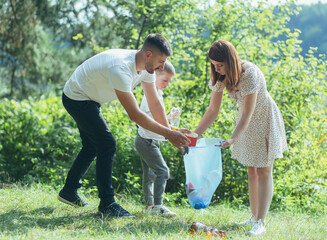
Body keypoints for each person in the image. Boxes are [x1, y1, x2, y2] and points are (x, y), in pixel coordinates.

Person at [57, 33, 191, 218]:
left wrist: (171, 131)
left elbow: (154, 103)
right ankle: (107, 204)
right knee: (106, 143)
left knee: (92, 145)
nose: (162, 66)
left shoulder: (146, 68)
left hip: (90, 98)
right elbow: (135, 114)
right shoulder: (121, 68)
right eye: (161, 61)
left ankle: (69, 191)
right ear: (149, 55)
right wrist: (169, 134)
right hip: (76, 97)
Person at [194, 40, 288, 236]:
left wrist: (233, 138)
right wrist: (195, 135)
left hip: (263, 119)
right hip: (245, 124)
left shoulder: (250, 74)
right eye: (213, 65)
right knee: (251, 169)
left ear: (231, 60)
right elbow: (213, 109)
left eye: (220, 65)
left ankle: (261, 222)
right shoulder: (220, 77)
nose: (217, 70)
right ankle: (253, 218)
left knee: (264, 170)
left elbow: (247, 113)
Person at [135, 61, 178, 217]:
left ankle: (149, 205)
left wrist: (169, 118)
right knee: (162, 172)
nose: (167, 84)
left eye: (169, 81)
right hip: (146, 140)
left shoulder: (158, 93)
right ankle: (158, 206)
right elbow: (145, 116)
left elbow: (156, 117)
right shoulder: (150, 94)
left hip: (150, 140)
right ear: (155, 76)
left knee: (150, 175)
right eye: (165, 80)